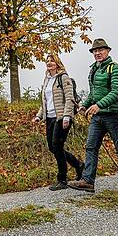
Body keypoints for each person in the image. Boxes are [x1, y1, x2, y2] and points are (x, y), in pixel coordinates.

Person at [68, 38, 118, 194]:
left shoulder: (115, 69)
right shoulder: (94, 69)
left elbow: (117, 92)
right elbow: (93, 94)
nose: (97, 53)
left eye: (100, 50)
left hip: (113, 115)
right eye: (95, 51)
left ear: (108, 51)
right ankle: (88, 181)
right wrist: (85, 105)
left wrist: (99, 105)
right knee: (91, 147)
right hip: (97, 117)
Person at [32, 54, 84, 191]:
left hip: (61, 117)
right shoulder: (47, 79)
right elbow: (44, 102)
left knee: (57, 145)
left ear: (57, 63)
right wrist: (39, 116)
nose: (49, 63)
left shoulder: (63, 78)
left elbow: (69, 99)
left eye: (52, 60)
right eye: (47, 61)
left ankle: (62, 179)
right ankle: (78, 165)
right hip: (49, 117)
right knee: (53, 147)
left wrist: (67, 116)